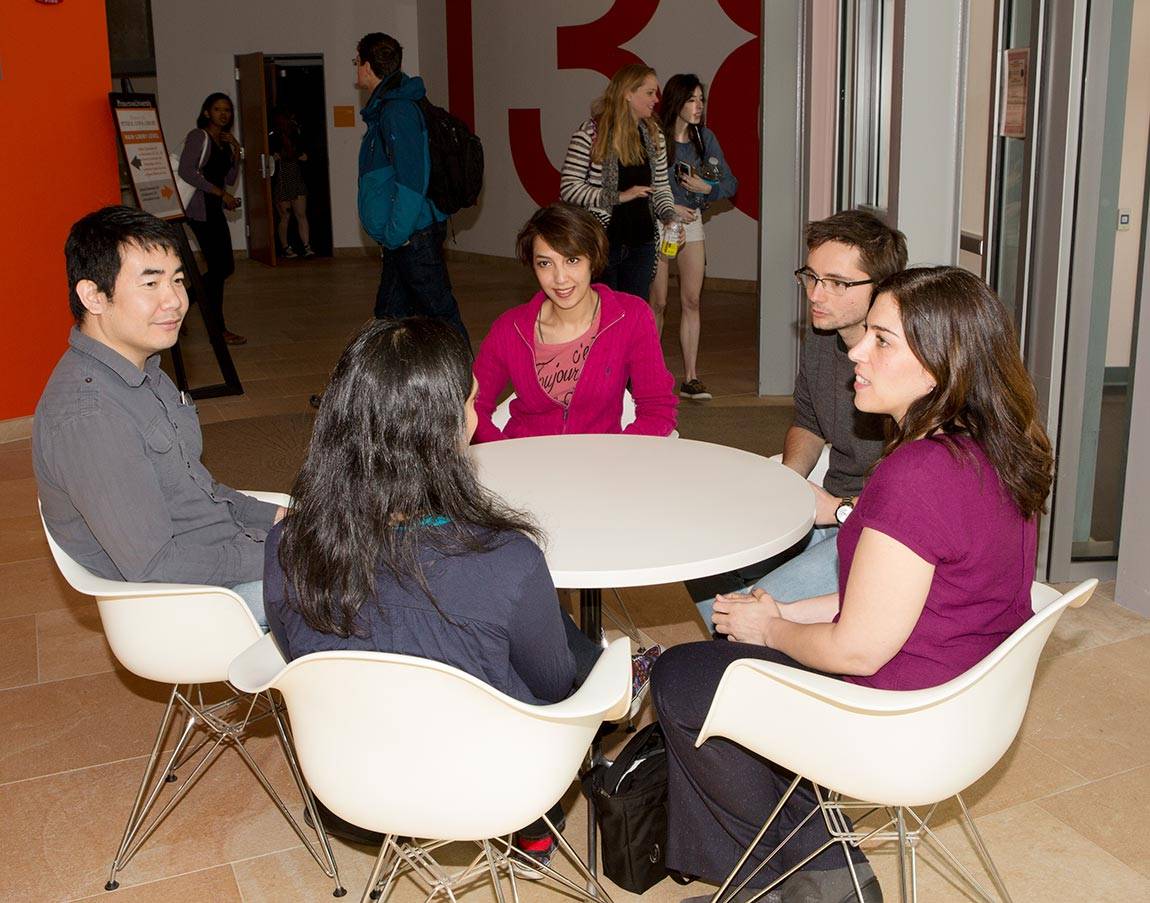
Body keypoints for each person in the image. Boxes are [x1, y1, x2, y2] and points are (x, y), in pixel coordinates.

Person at [653, 267, 1054, 903]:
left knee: (682, 678)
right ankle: (804, 866)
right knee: (732, 655)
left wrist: (775, 630)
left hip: (898, 717)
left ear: (940, 367)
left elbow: (857, 651)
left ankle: (813, 874)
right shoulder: (996, 449)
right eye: (866, 334)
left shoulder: (918, 473)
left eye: (882, 341)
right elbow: (898, 589)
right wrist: (782, 614)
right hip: (964, 700)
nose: (858, 354)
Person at [266, 316, 660, 867]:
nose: (479, 417)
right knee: (564, 651)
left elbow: (294, 651)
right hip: (493, 782)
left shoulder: (286, 543)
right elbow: (553, 687)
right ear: (443, 430)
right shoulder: (507, 559)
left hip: (352, 773)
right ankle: (544, 812)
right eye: (473, 404)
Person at [33, 207, 284, 625]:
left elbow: (199, 489)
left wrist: (277, 519)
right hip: (190, 602)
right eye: (151, 283)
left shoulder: (144, 370)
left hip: (221, 557)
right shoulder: (91, 416)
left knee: (394, 555)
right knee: (386, 593)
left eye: (178, 280)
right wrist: (284, 553)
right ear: (94, 296)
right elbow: (155, 565)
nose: (175, 301)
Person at [691, 210, 907, 629]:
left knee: (739, 609)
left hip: (876, 531)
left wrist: (840, 509)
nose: (815, 294)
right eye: (811, 277)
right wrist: (787, 483)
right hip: (829, 503)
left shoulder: (904, 369)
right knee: (698, 568)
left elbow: (916, 506)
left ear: (882, 289)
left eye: (838, 283)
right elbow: (807, 422)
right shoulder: (821, 339)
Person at [471, 203, 677, 442]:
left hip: (601, 465)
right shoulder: (510, 328)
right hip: (527, 463)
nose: (559, 279)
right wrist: (506, 455)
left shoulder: (630, 316)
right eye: (545, 263)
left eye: (572, 260)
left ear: (593, 257)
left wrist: (619, 457)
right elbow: (472, 406)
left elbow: (658, 409)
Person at [355, 32, 467, 340]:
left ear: (366, 66)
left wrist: (397, 233)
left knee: (440, 314)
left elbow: (412, 180)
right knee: (388, 318)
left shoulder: (398, 111)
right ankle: (378, 386)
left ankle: (466, 384)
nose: (357, 70)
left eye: (356, 62)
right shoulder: (387, 109)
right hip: (403, 236)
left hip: (411, 235)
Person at [648, 74, 739, 400]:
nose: (699, 106)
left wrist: (706, 188)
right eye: (692, 100)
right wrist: (668, 205)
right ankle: (650, 377)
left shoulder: (705, 140)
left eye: (702, 100)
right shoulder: (655, 137)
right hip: (658, 222)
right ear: (676, 101)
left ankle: (691, 377)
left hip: (692, 224)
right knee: (657, 302)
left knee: (692, 300)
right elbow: (640, 185)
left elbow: (730, 184)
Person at [560, 64, 676, 301]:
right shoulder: (590, 134)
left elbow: (662, 187)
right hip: (602, 243)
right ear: (627, 93)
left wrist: (668, 216)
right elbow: (569, 188)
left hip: (642, 244)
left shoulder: (655, 136)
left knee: (631, 317)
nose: (656, 99)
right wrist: (619, 196)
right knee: (602, 317)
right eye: (649, 92)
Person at [179, 92, 246, 345]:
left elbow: (229, 179)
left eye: (227, 110)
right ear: (207, 112)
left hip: (214, 210)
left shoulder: (224, 142)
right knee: (220, 269)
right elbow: (186, 170)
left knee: (224, 267)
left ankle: (185, 306)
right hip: (200, 211)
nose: (223, 114)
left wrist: (236, 151)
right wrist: (221, 194)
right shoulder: (199, 136)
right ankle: (218, 328)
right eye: (218, 109)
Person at [269, 107, 313, 259]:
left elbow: (305, 156)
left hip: (296, 176)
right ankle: (286, 247)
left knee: (301, 213)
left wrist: (297, 154)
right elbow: (268, 159)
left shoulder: (297, 133)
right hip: (281, 177)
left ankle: (307, 247)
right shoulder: (273, 135)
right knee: (285, 215)